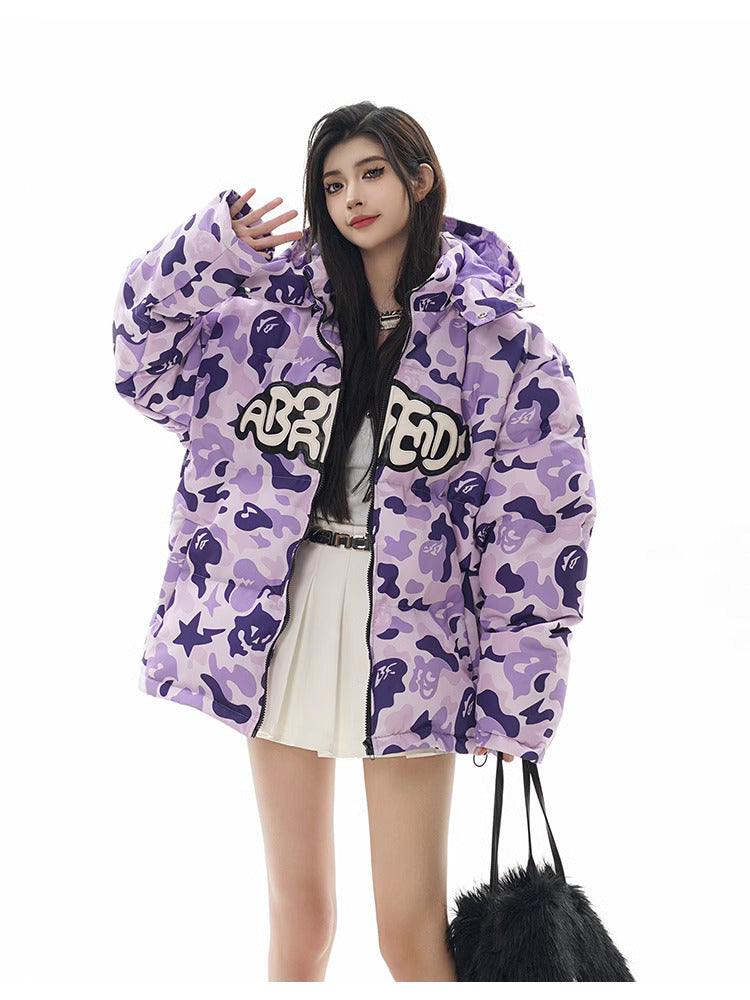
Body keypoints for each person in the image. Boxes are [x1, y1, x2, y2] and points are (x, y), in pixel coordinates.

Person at [113, 101, 597, 982]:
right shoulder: (269, 319)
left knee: (408, 935)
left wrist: (515, 696)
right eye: (334, 184)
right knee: (298, 918)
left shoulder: (502, 345)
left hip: (417, 641)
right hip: (281, 620)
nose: (352, 198)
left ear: (420, 179)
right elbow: (140, 362)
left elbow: (537, 529)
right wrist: (209, 250)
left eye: (372, 173)